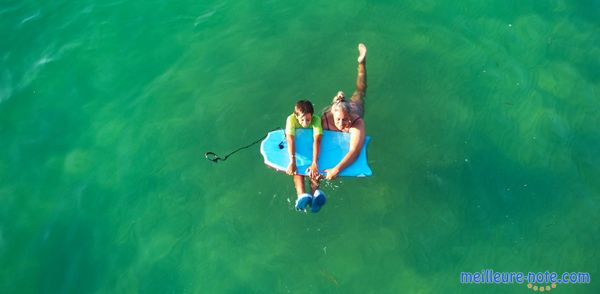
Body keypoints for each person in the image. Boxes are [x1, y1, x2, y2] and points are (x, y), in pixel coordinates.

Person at [320, 43, 367, 180]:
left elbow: (354, 151)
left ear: (350, 117)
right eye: (338, 120)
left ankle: (362, 64)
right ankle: (338, 98)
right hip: (335, 108)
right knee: (336, 105)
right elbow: (315, 138)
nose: (341, 124)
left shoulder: (357, 123)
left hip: (354, 106)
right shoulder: (326, 119)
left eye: (345, 120)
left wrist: (336, 170)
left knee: (360, 91)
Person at [285, 100, 327, 212]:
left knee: (314, 171)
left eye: (308, 119)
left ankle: (315, 196)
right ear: (296, 116)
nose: (305, 123)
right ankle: (302, 196)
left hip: (312, 149)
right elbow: (290, 139)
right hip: (298, 151)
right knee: (298, 169)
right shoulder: (291, 119)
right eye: (302, 120)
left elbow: (317, 141)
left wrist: (314, 162)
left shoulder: (316, 119)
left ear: (312, 116)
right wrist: (292, 161)